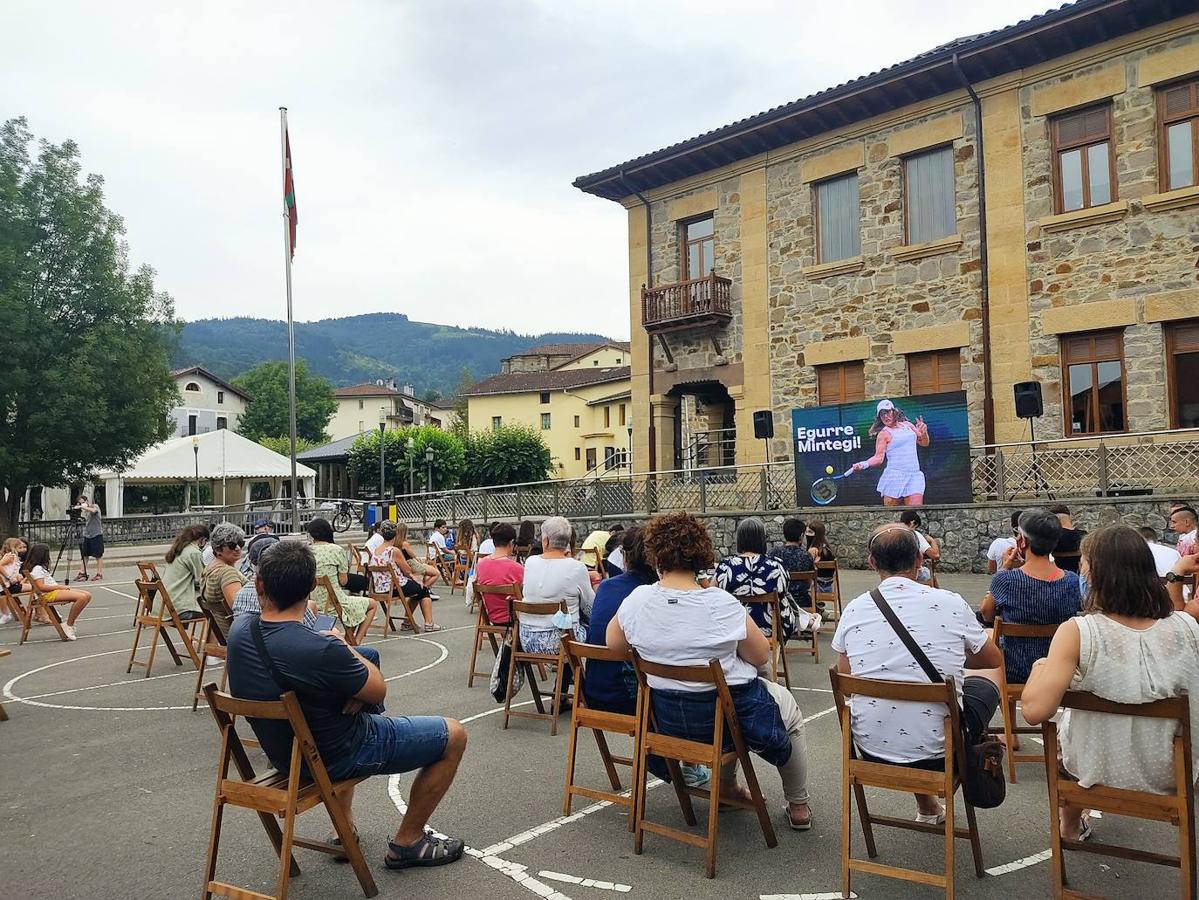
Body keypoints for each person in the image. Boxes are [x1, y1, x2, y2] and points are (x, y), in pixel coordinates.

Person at [226, 540, 467, 870]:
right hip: (338, 754)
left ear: (259, 585)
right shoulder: (321, 649)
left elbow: (284, 642)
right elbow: (378, 690)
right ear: (312, 586)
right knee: (454, 734)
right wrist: (345, 646)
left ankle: (344, 827)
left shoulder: (240, 632)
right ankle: (408, 841)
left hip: (286, 754)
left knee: (364, 665)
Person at [607, 512, 814, 831]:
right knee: (786, 709)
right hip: (730, 721)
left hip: (668, 723)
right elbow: (761, 656)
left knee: (726, 700)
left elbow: (616, 646)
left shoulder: (638, 599)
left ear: (654, 555)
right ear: (701, 553)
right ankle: (798, 804)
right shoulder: (720, 603)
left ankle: (728, 789)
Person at [1022, 526, 1199, 843]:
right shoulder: (1188, 627)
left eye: (1084, 564)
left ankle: (1069, 826)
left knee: (1062, 733)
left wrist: (1039, 670)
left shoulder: (1078, 632)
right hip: (1175, 772)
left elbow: (1034, 711)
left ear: (1096, 574)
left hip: (1094, 770)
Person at [832, 524, 1002, 824]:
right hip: (938, 753)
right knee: (986, 682)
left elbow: (846, 676)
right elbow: (991, 658)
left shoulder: (855, 609)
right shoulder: (949, 602)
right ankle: (975, 754)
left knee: (904, 695)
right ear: (919, 562)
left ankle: (928, 807)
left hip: (870, 749)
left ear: (872, 562)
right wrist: (950, 657)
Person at [981, 508, 1082, 687]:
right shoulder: (1072, 581)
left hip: (1015, 670)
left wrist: (1004, 567)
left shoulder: (1005, 579)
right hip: (1059, 669)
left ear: (1022, 541)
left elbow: (986, 615)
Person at [717, 517, 819, 643]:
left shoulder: (726, 567)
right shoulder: (776, 566)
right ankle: (805, 619)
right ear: (762, 539)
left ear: (739, 539)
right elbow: (784, 592)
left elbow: (712, 593)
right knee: (784, 596)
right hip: (772, 628)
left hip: (735, 628)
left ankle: (805, 619)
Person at [520, 516, 593, 655]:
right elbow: (590, 608)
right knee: (595, 627)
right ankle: (575, 675)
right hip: (562, 641)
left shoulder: (530, 562)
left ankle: (568, 675)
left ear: (546, 541)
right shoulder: (576, 567)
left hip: (526, 639)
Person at [307, 517, 378, 644]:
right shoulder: (336, 550)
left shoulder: (307, 551)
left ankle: (349, 639)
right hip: (335, 601)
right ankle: (356, 642)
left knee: (354, 608)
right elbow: (344, 581)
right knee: (372, 604)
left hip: (313, 600)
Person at [850, 399, 930, 506]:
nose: (886, 417)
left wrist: (924, 433)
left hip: (914, 475)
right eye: (882, 415)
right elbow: (878, 458)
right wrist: (863, 464)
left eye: (887, 412)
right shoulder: (883, 434)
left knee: (914, 515)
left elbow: (924, 443)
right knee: (892, 516)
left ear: (894, 412)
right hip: (894, 477)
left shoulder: (908, 425)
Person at [372, 522, 440, 632]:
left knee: (416, 591)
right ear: (395, 534)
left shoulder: (376, 550)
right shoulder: (393, 551)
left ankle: (407, 622)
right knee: (423, 590)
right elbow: (407, 570)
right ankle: (429, 623)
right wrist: (415, 578)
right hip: (395, 587)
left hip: (380, 588)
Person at [21, 543, 93, 640]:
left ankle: (69, 623)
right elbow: (41, 587)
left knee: (87, 595)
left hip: (53, 590)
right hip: (48, 594)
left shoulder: (39, 567)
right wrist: (60, 587)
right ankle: (69, 624)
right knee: (82, 597)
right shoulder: (37, 568)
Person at [201, 523, 248, 637]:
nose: (238, 548)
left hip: (223, 633)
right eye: (232, 545)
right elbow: (239, 608)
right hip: (238, 636)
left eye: (240, 543)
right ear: (218, 549)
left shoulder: (209, 569)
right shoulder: (227, 573)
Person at [474, 523, 524, 627]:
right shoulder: (517, 568)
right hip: (515, 617)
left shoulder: (480, 565)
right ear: (511, 543)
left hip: (492, 616)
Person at [161, 524, 210, 619]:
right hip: (180, 608)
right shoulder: (194, 552)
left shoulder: (178, 550)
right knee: (217, 613)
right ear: (202, 540)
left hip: (165, 608)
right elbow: (202, 581)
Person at [768, 518, 815, 612]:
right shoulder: (806, 556)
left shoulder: (773, 554)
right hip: (801, 601)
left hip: (779, 600)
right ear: (801, 536)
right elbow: (809, 582)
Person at [899, 510, 939, 583]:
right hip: (912, 573)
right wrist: (932, 540)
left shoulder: (894, 534)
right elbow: (935, 555)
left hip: (894, 573)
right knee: (928, 574)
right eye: (916, 527)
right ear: (912, 522)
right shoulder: (914, 535)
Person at [1046, 503, 1085, 572]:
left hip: (1059, 574)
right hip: (1082, 574)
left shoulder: (1054, 535)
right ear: (1070, 517)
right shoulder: (1083, 535)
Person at [74, 494, 105, 582]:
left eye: (83, 502)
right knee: (85, 555)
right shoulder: (85, 512)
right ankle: (82, 572)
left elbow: (94, 511)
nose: (82, 504)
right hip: (87, 535)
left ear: (87, 501)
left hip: (96, 534)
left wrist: (83, 507)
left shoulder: (94, 506)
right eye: (80, 503)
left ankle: (99, 573)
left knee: (98, 555)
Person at [0, 536, 28, 625]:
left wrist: (17, 575)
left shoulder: (12, 556)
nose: (22, 550)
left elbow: (11, 569)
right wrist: (9, 577)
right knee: (36, 587)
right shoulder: (10, 556)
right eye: (19, 547)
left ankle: (5, 613)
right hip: (9, 584)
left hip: (9, 583)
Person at [807, 521, 837, 596]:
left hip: (817, 587)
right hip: (829, 586)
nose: (807, 534)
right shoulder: (828, 548)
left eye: (810, 532)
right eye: (806, 532)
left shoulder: (814, 550)